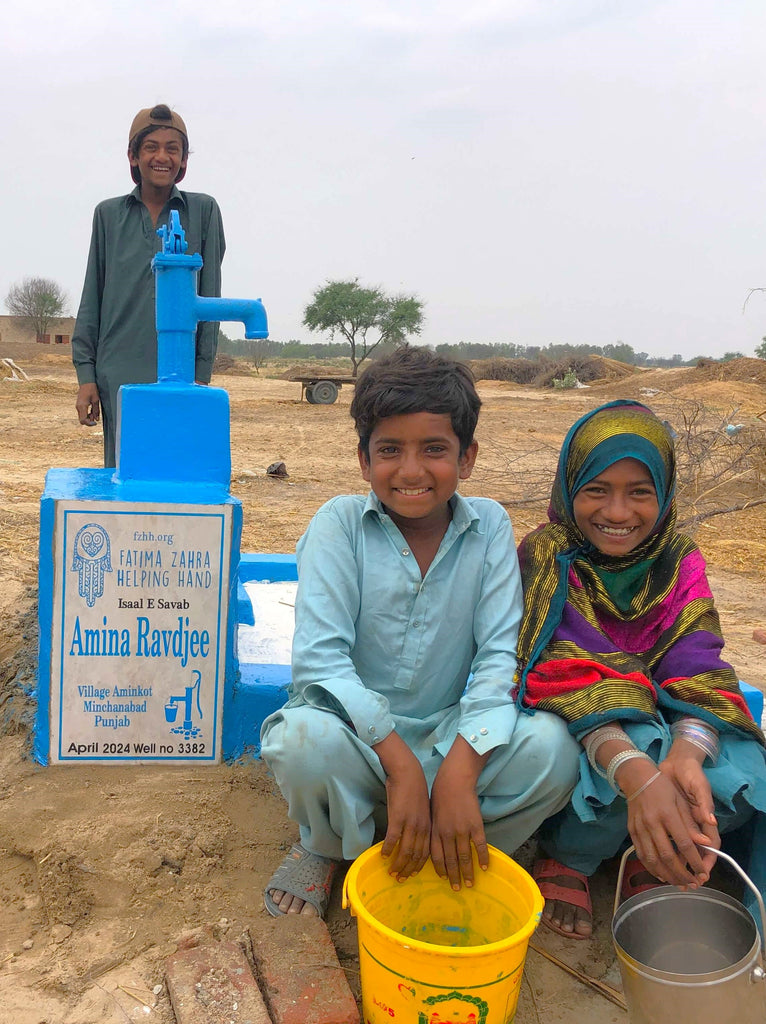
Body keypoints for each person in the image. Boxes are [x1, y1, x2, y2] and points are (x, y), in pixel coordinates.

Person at [260, 347, 580, 917]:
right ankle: (328, 845)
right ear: (363, 460)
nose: (411, 471)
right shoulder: (338, 525)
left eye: (434, 449)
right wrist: (400, 764)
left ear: (468, 457)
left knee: (553, 753)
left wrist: (460, 767)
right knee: (300, 742)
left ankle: (448, 840)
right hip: (360, 742)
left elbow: (498, 657)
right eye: (390, 450)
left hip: (454, 734)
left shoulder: (490, 529)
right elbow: (321, 661)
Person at [515, 399, 766, 939]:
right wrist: (641, 765)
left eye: (640, 492)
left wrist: (687, 751)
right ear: (568, 487)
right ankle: (570, 857)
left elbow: (698, 659)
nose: (619, 512)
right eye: (597, 489)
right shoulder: (549, 554)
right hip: (586, 722)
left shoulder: (679, 558)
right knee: (635, 746)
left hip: (665, 714)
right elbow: (560, 669)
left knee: (748, 766)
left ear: (665, 493)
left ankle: (657, 855)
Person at [71, 104, 225, 467]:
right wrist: (86, 375)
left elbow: (210, 296)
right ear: (133, 156)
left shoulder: (203, 212)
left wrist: (201, 377)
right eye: (151, 147)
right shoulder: (108, 215)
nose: (162, 157)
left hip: (180, 375)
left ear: (184, 159)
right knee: (125, 477)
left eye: (173, 148)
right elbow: (92, 295)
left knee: (175, 473)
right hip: (118, 374)